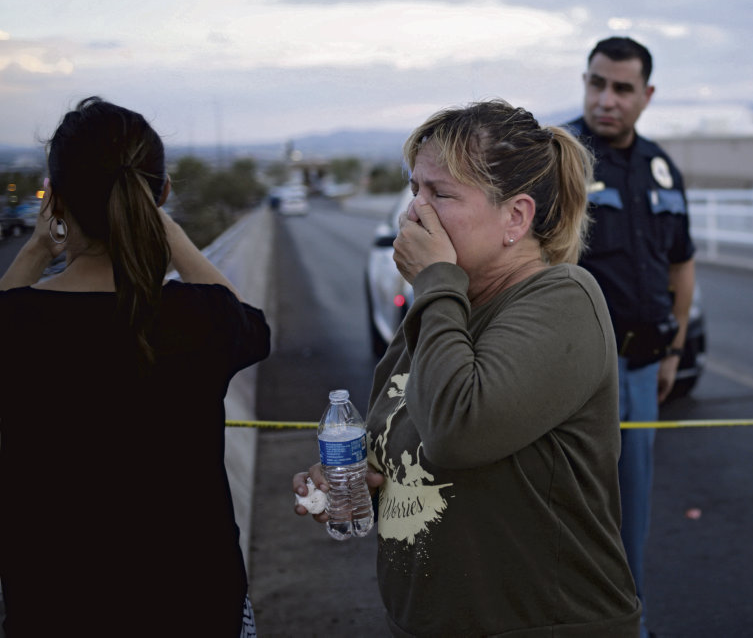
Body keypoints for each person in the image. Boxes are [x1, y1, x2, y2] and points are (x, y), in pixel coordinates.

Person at [293, 100, 641, 636]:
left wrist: (434, 279)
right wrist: (358, 481)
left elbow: (459, 432)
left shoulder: (563, 299)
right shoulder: (445, 311)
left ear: (516, 218)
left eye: (442, 194)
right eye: (415, 190)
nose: (415, 212)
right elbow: (417, 443)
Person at [0, 97, 271, 636]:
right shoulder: (198, 318)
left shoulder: (19, 323)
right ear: (161, 194)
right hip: (196, 604)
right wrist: (168, 232)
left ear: (54, 199)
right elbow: (248, 323)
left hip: (52, 607)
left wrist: (34, 250)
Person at [564, 35, 695, 634]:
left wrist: (672, 350)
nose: (606, 99)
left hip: (640, 369)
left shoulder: (662, 167)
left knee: (632, 512)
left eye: (621, 88)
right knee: (568, 512)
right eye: (597, 84)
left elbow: (681, 264)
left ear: (646, 95)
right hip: (570, 375)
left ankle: (628, 624)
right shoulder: (554, 158)